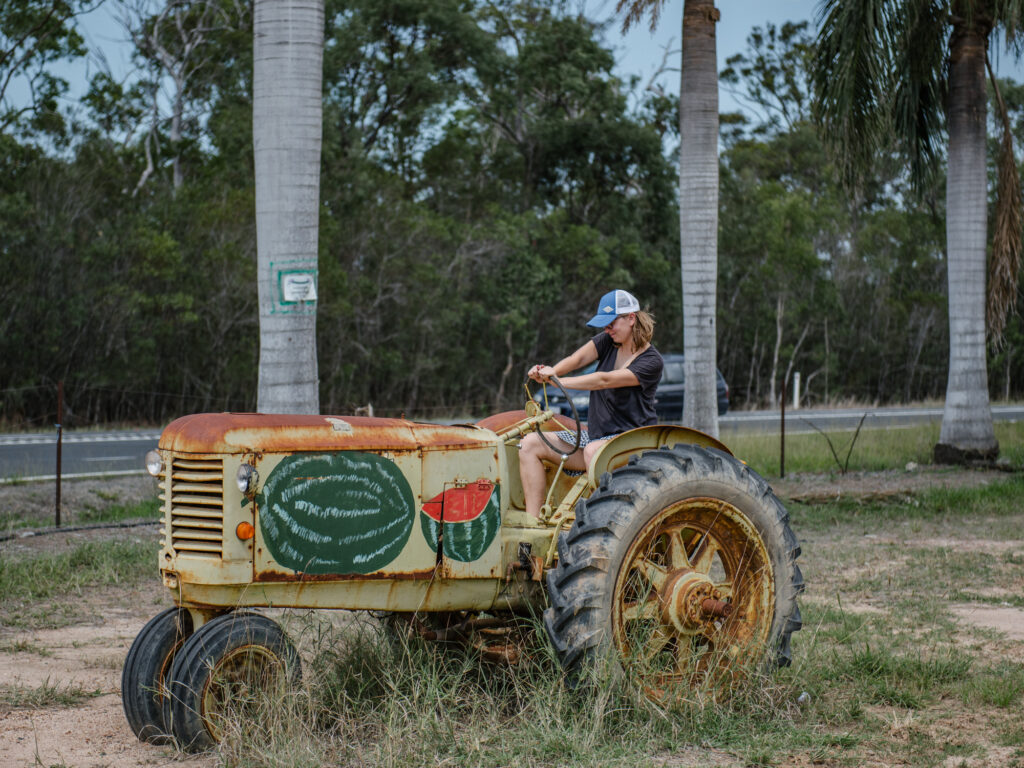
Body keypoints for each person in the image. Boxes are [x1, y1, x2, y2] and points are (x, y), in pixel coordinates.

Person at [519, 289, 664, 518]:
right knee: (530, 443)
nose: (607, 330)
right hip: (597, 437)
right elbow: (578, 359)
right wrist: (550, 371)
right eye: (604, 326)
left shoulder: (651, 361)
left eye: (611, 324)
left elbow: (603, 380)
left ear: (631, 318)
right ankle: (532, 528)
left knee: (594, 451)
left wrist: (558, 382)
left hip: (630, 441)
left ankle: (602, 523)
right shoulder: (609, 341)